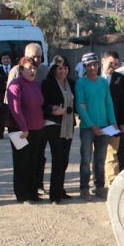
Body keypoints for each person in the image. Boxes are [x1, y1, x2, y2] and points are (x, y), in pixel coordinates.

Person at [75, 52, 118, 200]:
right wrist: (92, 125)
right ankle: (84, 188)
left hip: (105, 126)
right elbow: (81, 106)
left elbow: (108, 103)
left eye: (94, 64)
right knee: (86, 159)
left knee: (101, 158)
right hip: (88, 128)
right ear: (85, 67)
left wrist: (112, 121)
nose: (92, 67)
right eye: (89, 65)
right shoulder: (80, 83)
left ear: (98, 64)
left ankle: (99, 186)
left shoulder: (103, 82)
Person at [7, 56, 45, 203]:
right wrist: (24, 127)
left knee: (34, 161)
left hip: (37, 129)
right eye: (29, 68)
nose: (33, 70)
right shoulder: (15, 85)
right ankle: (22, 194)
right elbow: (15, 109)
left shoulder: (36, 85)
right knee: (22, 162)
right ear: (21, 69)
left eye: (35, 68)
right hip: (20, 131)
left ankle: (33, 192)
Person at [41, 55, 77, 204]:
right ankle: (54, 195)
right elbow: (42, 104)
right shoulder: (47, 83)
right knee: (57, 158)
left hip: (68, 125)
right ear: (54, 69)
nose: (62, 71)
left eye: (65, 68)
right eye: (59, 68)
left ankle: (60, 189)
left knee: (65, 159)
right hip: (53, 124)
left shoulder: (72, 83)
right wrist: (53, 109)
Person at [101, 51, 124, 186]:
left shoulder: (120, 79)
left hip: (114, 123)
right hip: (97, 123)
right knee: (99, 154)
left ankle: (112, 182)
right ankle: (98, 183)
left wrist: (123, 122)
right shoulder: (92, 78)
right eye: (111, 63)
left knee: (112, 153)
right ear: (103, 61)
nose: (113, 66)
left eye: (116, 64)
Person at [0, 53, 12, 139]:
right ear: (1, 60)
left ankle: (12, 132)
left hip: (12, 95)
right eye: (4, 58)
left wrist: (7, 81)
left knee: (12, 114)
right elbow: (0, 79)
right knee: (2, 114)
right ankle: (0, 133)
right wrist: (9, 81)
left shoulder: (14, 69)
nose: (6, 60)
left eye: (7, 58)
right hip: (2, 95)